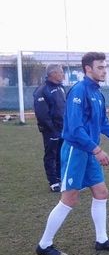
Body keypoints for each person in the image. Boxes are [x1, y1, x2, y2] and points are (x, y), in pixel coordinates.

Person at [35, 52, 109, 255]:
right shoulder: (79, 91)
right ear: (88, 69)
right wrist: (97, 150)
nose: (104, 71)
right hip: (77, 151)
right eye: (100, 67)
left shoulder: (97, 93)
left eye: (105, 67)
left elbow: (103, 124)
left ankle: (101, 240)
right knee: (70, 199)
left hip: (90, 150)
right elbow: (74, 129)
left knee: (101, 192)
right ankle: (44, 244)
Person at [33, 64, 66, 192]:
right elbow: (42, 114)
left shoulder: (61, 88)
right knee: (51, 154)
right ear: (53, 74)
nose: (63, 75)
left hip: (63, 129)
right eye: (61, 72)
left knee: (61, 154)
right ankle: (52, 181)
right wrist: (52, 129)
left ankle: (59, 177)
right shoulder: (42, 90)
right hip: (51, 130)